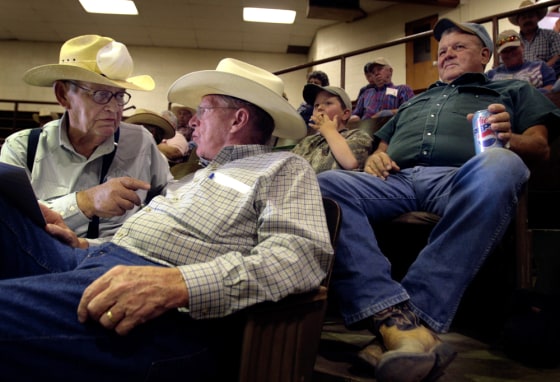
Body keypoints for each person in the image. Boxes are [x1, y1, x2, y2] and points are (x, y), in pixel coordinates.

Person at [0, 57, 333, 381]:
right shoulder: (194, 176)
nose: (192, 123)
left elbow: (301, 255)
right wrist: (87, 242)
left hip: (162, 312)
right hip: (94, 259)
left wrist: (180, 284)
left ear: (237, 120)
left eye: (203, 111)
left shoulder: (283, 167)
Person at [318, 18, 560, 382]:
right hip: (396, 179)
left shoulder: (511, 90)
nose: (446, 55)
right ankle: (397, 321)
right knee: (327, 184)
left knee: (502, 164)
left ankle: (402, 322)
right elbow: (380, 150)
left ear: (484, 55)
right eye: (442, 51)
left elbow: (540, 148)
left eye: (458, 47)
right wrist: (374, 158)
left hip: (461, 177)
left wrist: (509, 139)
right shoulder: (415, 101)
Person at [0, 34, 171, 245]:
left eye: (119, 96)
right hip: (46, 261)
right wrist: (85, 203)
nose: (113, 108)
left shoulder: (140, 142)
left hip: (119, 262)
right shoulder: (23, 149)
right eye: (100, 94)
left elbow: (170, 195)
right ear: (63, 95)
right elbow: (10, 224)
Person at [291, 84, 372, 173]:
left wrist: (329, 131)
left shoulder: (357, 136)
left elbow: (350, 163)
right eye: (316, 105)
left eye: (328, 103)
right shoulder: (306, 142)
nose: (320, 108)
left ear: (345, 114)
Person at [487, 29, 556, 92]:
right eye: (505, 51)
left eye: (513, 48)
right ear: (499, 54)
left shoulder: (541, 67)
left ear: (522, 46)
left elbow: (552, 88)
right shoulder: (490, 75)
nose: (510, 53)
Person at [349, 57, 414, 123]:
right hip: (365, 129)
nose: (376, 74)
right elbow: (356, 114)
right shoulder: (366, 94)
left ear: (390, 71)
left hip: (391, 128)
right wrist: (353, 118)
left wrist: (389, 113)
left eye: (379, 69)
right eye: (373, 72)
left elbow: (411, 109)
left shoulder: (402, 89)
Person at [509, 0, 560, 77]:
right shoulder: (511, 42)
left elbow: (557, 57)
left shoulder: (551, 35)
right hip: (517, 83)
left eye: (531, 16)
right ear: (518, 21)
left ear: (537, 18)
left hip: (546, 79)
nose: (527, 20)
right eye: (524, 17)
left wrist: (537, 72)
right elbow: (502, 64)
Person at [296, 70, 330, 135]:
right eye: (310, 82)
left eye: (316, 83)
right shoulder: (304, 105)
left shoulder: (327, 104)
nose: (312, 85)